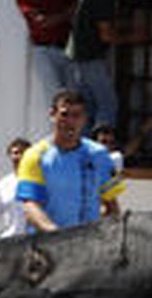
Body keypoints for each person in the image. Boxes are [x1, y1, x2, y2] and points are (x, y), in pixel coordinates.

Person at [17, 90, 124, 233]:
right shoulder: (34, 156)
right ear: (52, 115)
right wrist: (56, 234)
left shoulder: (100, 155)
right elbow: (30, 206)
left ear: (84, 119)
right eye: (64, 115)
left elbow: (111, 204)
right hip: (46, 246)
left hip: (88, 246)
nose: (70, 122)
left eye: (76, 116)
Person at [66, 0, 144, 132]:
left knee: (88, 106)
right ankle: (102, 148)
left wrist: (127, 25)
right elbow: (106, 34)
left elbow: (103, 22)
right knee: (108, 103)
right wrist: (133, 37)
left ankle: (83, 146)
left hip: (79, 58)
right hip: (90, 58)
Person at [16, 0, 78, 108]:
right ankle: (57, 132)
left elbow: (76, 8)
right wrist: (64, 15)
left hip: (67, 48)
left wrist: (55, 18)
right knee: (54, 96)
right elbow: (41, 22)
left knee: (73, 95)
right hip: (43, 50)